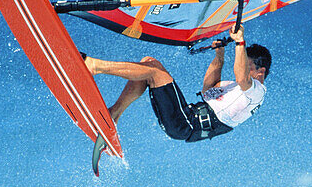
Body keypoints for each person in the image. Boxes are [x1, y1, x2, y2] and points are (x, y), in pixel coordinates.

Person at [83, 25, 270, 142]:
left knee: (155, 71)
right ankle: (114, 114)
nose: (243, 67)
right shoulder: (236, 87)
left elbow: (242, 78)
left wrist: (240, 43)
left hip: (188, 124)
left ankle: (94, 66)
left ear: (260, 71)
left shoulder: (257, 92)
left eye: (248, 64)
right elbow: (208, 89)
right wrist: (219, 55)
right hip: (185, 119)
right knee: (149, 63)